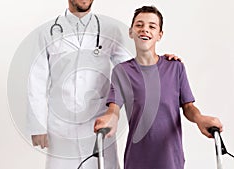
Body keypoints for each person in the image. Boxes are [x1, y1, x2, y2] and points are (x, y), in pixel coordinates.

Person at [27, 1, 180, 169]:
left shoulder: (110, 30)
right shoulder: (47, 32)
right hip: (62, 127)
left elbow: (132, 68)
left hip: (99, 123)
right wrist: (37, 125)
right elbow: (37, 80)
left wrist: (160, 63)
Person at [94, 5, 223, 169]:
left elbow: (188, 107)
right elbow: (114, 108)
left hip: (170, 159)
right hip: (136, 160)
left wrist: (200, 119)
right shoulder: (122, 71)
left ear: (159, 35)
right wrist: (109, 120)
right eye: (139, 25)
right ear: (131, 32)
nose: (145, 30)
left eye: (152, 26)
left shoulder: (175, 67)